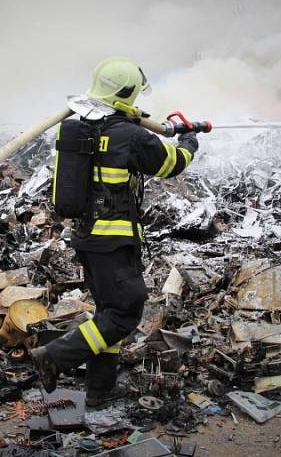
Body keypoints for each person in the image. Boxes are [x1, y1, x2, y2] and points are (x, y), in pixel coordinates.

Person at [31, 57, 198, 407]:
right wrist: (190, 142)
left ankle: (99, 390)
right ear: (127, 93)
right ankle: (54, 356)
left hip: (87, 238)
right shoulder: (130, 135)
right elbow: (172, 164)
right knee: (125, 313)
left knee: (108, 312)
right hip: (114, 239)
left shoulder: (82, 128)